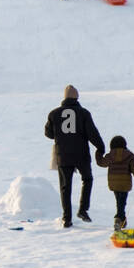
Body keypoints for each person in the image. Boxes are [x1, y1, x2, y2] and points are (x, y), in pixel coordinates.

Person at [44, 84, 105, 227]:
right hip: (81, 154)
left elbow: (48, 134)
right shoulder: (84, 113)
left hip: (62, 155)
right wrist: (100, 147)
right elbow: (92, 133)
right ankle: (83, 209)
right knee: (87, 179)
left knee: (65, 186)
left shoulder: (54, 113)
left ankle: (67, 218)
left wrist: (60, 135)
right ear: (77, 97)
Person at [95, 135, 134, 231]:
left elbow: (101, 163)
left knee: (119, 201)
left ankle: (122, 219)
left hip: (114, 183)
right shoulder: (129, 156)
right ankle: (119, 218)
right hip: (125, 183)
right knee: (122, 201)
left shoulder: (110, 156)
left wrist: (98, 153)